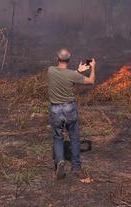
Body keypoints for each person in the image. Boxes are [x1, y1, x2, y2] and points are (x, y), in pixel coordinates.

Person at [47, 48, 96, 180]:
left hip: (56, 110)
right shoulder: (72, 75)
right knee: (74, 138)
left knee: (58, 138)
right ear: (69, 60)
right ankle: (76, 168)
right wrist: (92, 68)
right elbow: (91, 81)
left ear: (57, 59)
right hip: (70, 109)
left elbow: (64, 76)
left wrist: (78, 71)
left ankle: (60, 162)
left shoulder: (50, 70)